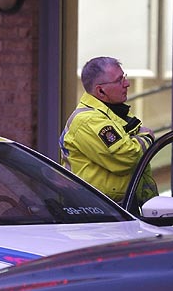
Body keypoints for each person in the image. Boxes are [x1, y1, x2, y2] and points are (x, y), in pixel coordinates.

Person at [60, 56, 157, 203]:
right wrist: (146, 137)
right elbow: (126, 157)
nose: (127, 84)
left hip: (115, 206)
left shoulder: (112, 112)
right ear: (101, 91)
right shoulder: (89, 120)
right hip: (95, 209)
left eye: (124, 77)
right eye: (119, 80)